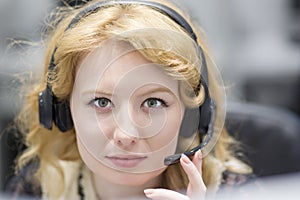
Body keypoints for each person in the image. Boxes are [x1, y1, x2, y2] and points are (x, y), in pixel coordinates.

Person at [6, 0, 253, 199]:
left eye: (153, 102)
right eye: (101, 102)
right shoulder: (37, 189)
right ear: (62, 111)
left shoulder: (236, 192)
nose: (126, 135)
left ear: (192, 114)